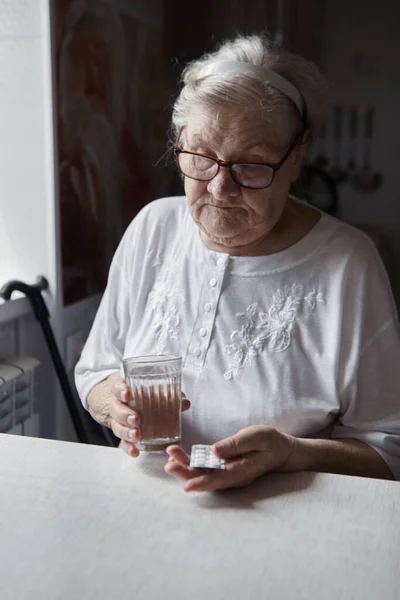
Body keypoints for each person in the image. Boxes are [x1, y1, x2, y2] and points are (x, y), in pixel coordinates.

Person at [75, 34, 400, 492]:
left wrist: (293, 454)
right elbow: (95, 370)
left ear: (297, 157)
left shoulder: (348, 264)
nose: (220, 188)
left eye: (253, 165)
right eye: (202, 157)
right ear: (179, 143)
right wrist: (113, 403)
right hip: (144, 514)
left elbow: (388, 449)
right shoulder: (152, 228)